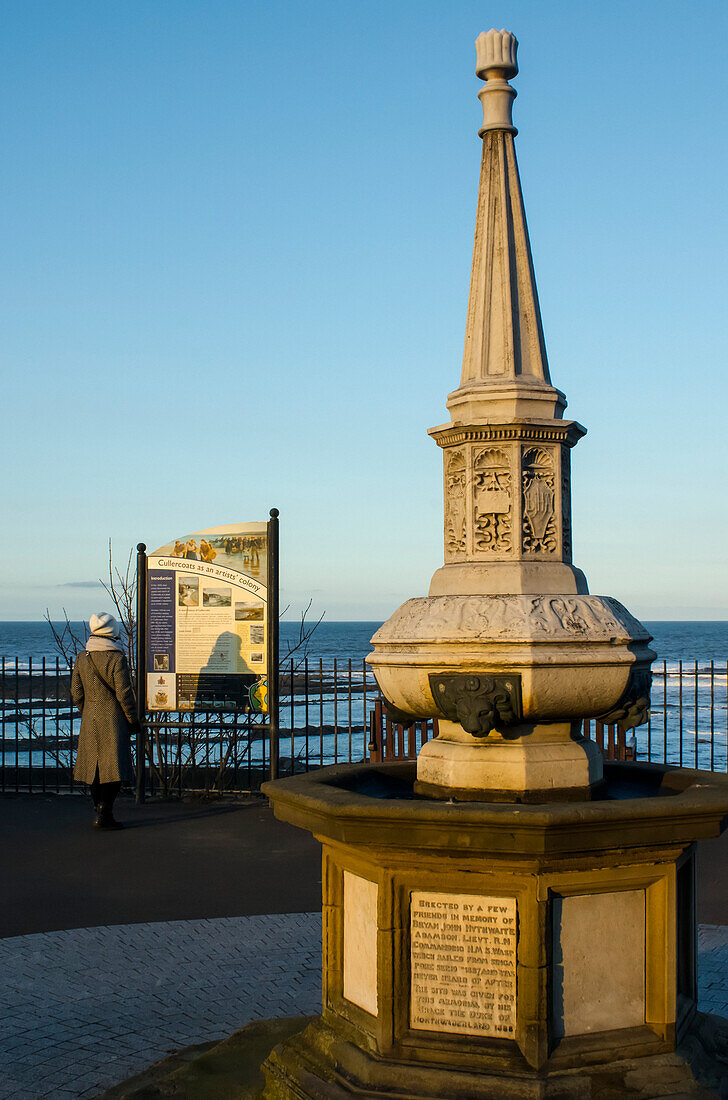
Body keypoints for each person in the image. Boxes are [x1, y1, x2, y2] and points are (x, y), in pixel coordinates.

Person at [72, 612, 138, 830]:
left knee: (94, 770)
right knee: (114, 768)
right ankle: (105, 811)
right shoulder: (116, 658)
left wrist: (88, 710)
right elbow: (124, 694)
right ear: (113, 631)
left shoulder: (83, 657)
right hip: (113, 719)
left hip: (90, 719)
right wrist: (132, 719)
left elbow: (76, 692)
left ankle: (98, 809)